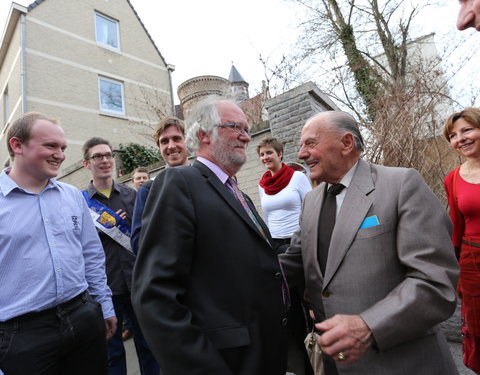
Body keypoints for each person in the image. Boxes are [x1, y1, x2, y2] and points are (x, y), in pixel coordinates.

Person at [280, 110, 460, 375]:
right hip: (338, 365)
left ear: (346, 143)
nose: (301, 154)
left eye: (310, 143)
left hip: (403, 363)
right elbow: (294, 260)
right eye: (301, 145)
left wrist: (369, 325)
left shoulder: (401, 185)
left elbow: (436, 281)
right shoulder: (311, 201)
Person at [131, 96, 288, 374]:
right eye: (235, 127)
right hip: (223, 360)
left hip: (260, 353)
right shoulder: (179, 183)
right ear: (204, 134)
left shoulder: (238, 194)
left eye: (247, 129)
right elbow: (155, 295)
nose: (245, 137)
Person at [0, 113, 115, 375]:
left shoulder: (74, 197)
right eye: (50, 146)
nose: (60, 155)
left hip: (83, 318)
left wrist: (103, 305)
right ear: (17, 145)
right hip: (21, 336)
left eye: (63, 148)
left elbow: (91, 255)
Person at [82, 138, 159, 375]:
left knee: (148, 346)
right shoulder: (79, 202)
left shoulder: (132, 196)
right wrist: (99, 229)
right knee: (112, 353)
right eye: (97, 156)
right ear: (87, 163)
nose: (105, 160)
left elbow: (147, 238)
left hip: (137, 283)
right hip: (105, 288)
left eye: (108, 155)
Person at [257, 137, 313, 375]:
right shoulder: (262, 185)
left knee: (309, 299)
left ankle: (319, 351)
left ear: (280, 154)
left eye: (269, 153)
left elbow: (310, 209)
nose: (265, 158)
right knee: (289, 306)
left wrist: (308, 241)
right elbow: (267, 219)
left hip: (300, 243)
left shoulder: (298, 177)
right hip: (278, 246)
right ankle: (302, 360)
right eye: (261, 155)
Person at [444, 107, 480, 374]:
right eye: (453, 135)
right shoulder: (452, 179)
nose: (461, 138)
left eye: (467, 129)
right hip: (473, 263)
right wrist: (455, 271)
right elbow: (456, 228)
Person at [130, 116, 189, 254]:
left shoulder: (205, 180)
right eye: (164, 141)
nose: (171, 146)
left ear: (187, 141)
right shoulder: (148, 190)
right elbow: (138, 242)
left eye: (176, 138)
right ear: (159, 147)